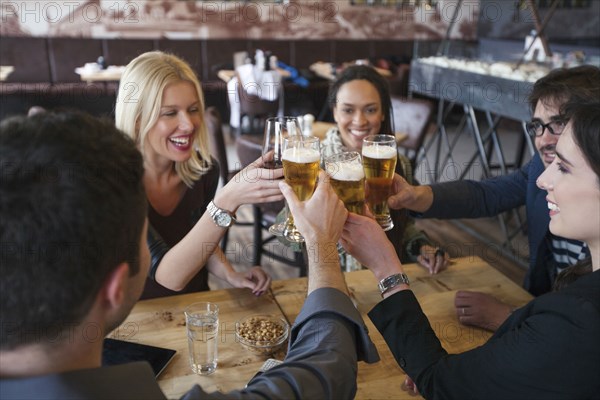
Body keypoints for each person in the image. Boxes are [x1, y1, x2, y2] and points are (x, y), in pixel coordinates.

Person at [0, 111, 379, 399]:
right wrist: (322, 245)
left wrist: (228, 270)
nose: (187, 123)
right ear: (114, 288)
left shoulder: (198, 171)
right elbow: (327, 370)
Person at [341, 100, 600, 399]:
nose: (542, 179)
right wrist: (480, 368)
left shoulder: (577, 320)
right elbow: (487, 193)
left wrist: (386, 268)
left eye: (564, 167)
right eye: (537, 126)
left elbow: (441, 383)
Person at [387, 65, 599, 330]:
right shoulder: (540, 168)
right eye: (537, 126)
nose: (544, 139)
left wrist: (509, 318)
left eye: (558, 124)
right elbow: (488, 194)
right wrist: (417, 196)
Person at [116, 51, 278, 299]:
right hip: (138, 316)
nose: (189, 124)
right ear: (138, 119)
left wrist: (230, 274)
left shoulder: (203, 170)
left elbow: (200, 237)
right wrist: (227, 200)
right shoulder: (114, 182)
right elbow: (168, 275)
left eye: (193, 109)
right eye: (170, 113)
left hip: (196, 306)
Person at [322, 65, 449, 273]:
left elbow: (403, 223)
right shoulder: (314, 165)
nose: (359, 121)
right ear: (335, 112)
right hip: (331, 281)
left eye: (370, 109)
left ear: (382, 114)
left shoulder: (398, 164)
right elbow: (289, 235)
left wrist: (420, 247)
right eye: (348, 110)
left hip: (386, 278)